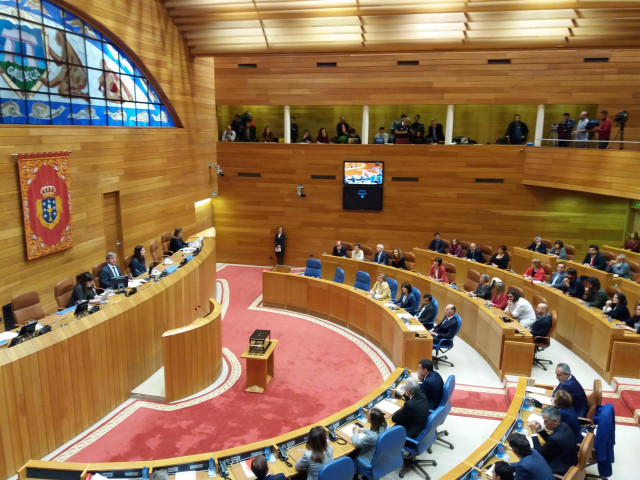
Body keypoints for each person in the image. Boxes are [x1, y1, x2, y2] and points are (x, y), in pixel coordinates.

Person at [528, 406, 578, 476]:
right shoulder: (564, 425)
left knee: (528, 463)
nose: (544, 423)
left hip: (560, 469)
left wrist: (534, 433)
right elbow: (551, 440)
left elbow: (538, 455)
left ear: (555, 421)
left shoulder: (555, 439)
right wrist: (540, 429)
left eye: (546, 421)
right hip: (570, 460)